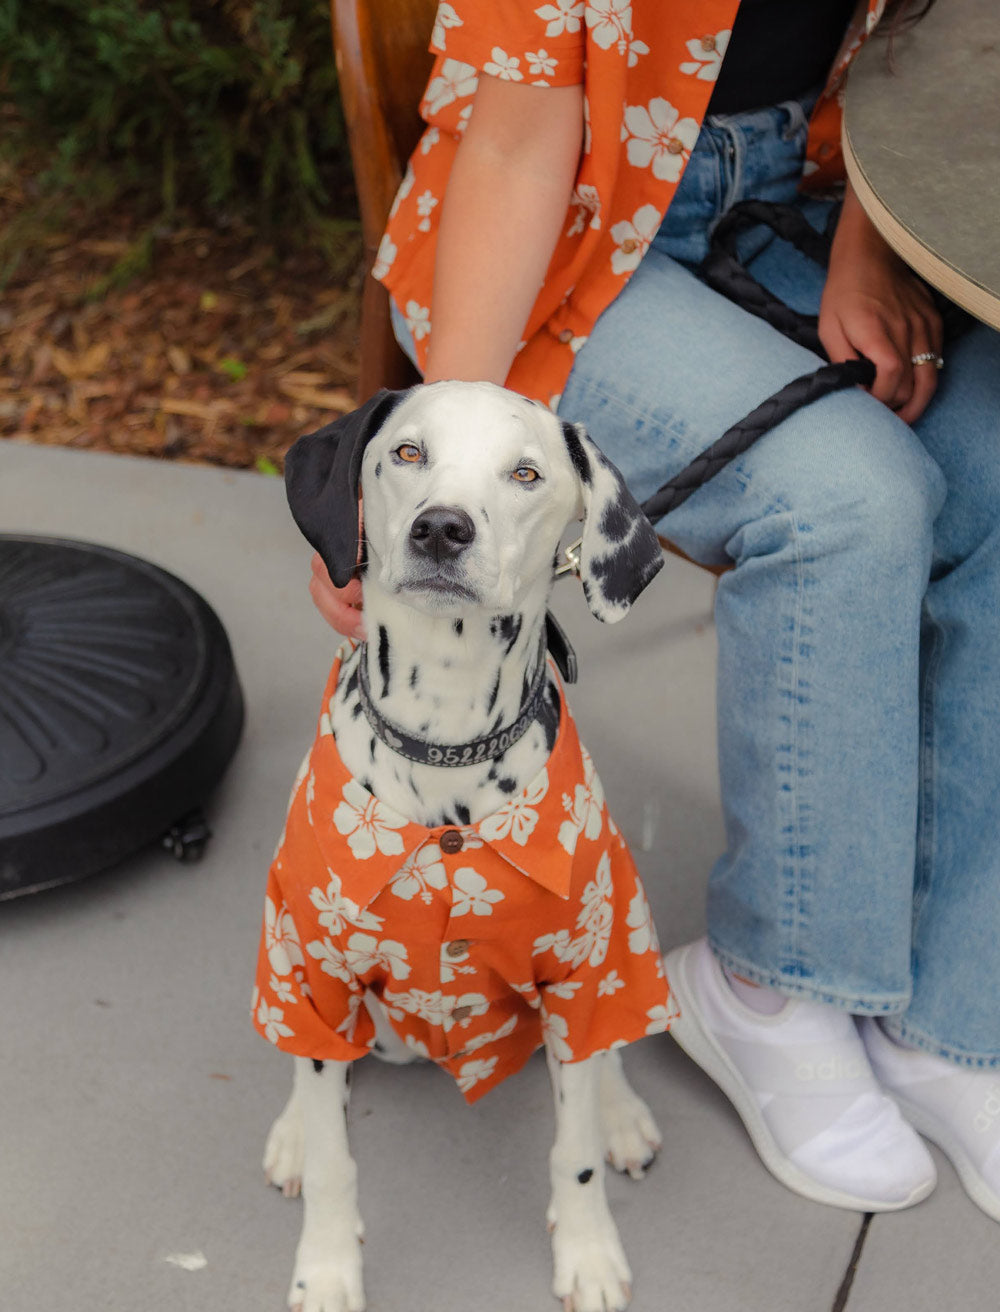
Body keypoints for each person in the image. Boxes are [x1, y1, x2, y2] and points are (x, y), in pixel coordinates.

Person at [312, 0, 1000, 1223]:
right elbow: (518, 146)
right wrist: (440, 454)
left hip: (813, 194)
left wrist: (872, 239)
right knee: (848, 496)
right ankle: (766, 987)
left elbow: (928, 64)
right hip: (568, 231)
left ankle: (949, 1020)